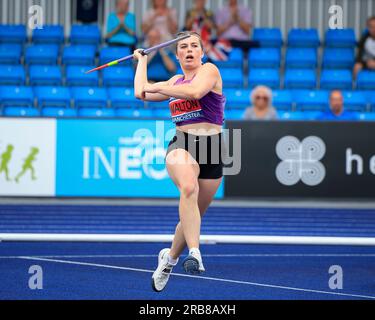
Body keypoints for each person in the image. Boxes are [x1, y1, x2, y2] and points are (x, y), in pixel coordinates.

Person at [133, 31, 226, 292]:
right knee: (188, 188)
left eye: (194, 46)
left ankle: (169, 259)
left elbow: (195, 92)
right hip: (182, 144)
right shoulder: (175, 79)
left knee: (193, 215)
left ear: (201, 52)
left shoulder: (209, 70)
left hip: (213, 149)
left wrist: (158, 86)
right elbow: (140, 93)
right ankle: (195, 253)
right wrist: (142, 61)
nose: (189, 50)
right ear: (176, 54)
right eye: (183, 46)